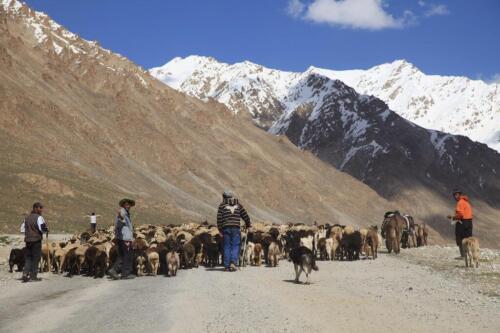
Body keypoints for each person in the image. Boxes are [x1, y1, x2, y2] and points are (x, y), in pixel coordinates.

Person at [217, 191, 251, 272]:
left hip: (226, 228)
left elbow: (219, 218)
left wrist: (220, 229)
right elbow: (245, 215)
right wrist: (248, 224)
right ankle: (233, 263)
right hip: (236, 228)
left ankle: (227, 265)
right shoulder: (238, 205)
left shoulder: (222, 205)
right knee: (235, 245)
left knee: (227, 246)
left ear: (224, 197)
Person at [108, 199, 135, 280]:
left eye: (129, 204)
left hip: (121, 238)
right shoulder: (123, 212)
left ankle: (114, 270)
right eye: (126, 204)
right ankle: (125, 274)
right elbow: (119, 221)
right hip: (125, 238)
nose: (128, 206)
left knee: (122, 255)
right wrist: (120, 217)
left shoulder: (126, 213)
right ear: (123, 205)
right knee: (127, 255)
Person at [22, 202, 49, 282]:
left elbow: (22, 229)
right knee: (36, 258)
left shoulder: (26, 218)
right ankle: (33, 276)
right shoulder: (39, 218)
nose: (41, 209)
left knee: (28, 257)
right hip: (36, 240)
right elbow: (43, 229)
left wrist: (29, 233)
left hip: (28, 240)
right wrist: (47, 230)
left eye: (42, 207)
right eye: (40, 208)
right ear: (35, 208)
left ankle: (25, 273)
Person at [447, 189, 473, 258]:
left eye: (456, 195)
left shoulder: (460, 203)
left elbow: (461, 215)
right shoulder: (466, 202)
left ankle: (463, 255)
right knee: (468, 239)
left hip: (463, 222)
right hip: (469, 222)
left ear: (459, 195)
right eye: (454, 195)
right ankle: (470, 255)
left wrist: (452, 217)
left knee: (459, 238)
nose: (455, 196)